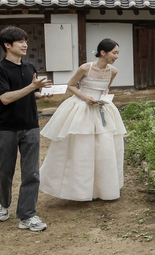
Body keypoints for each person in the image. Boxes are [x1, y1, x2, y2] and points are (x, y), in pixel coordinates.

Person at [39, 39, 126, 201]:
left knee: (105, 148)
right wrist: (86, 97)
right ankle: (79, 190)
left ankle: (103, 188)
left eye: (117, 53)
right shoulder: (85, 68)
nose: (117, 56)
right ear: (103, 53)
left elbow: (107, 87)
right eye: (114, 53)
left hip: (102, 109)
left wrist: (104, 97)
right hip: (82, 108)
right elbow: (71, 85)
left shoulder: (113, 71)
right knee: (82, 148)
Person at [0, 26, 51, 231]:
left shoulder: (30, 67)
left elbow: (29, 94)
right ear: (7, 45)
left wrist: (40, 95)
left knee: (32, 173)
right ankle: (4, 203)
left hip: (31, 126)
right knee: (3, 172)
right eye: (20, 41)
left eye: (25, 40)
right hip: (6, 129)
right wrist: (32, 88)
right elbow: (6, 98)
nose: (25, 44)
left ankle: (27, 215)